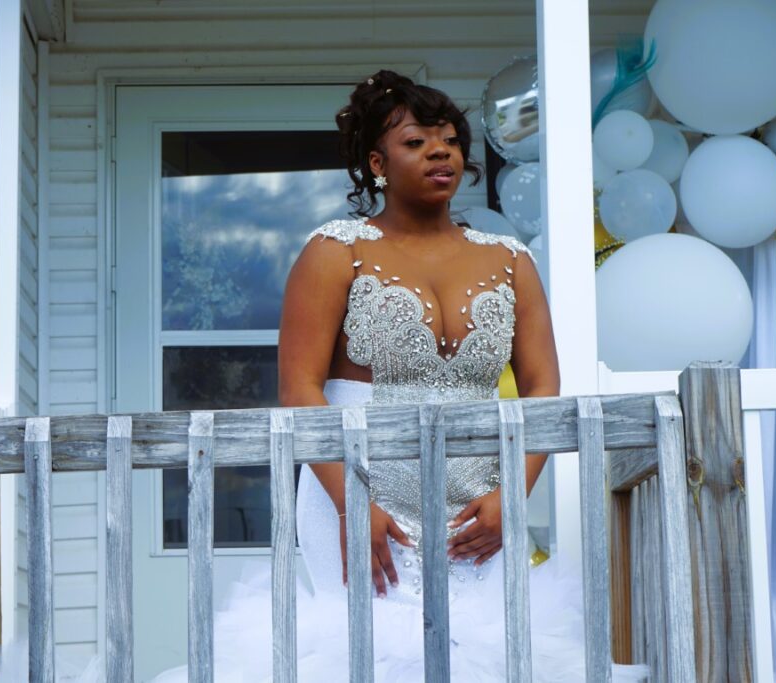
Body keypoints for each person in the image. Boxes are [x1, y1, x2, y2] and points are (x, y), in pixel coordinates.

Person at [150, 70, 647, 682]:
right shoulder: (335, 251)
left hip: (478, 505)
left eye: (450, 141)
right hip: (357, 493)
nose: (440, 152)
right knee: (364, 656)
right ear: (377, 163)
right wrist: (352, 506)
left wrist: (511, 498)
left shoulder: (511, 261)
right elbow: (299, 390)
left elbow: (542, 389)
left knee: (487, 654)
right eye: (416, 142)